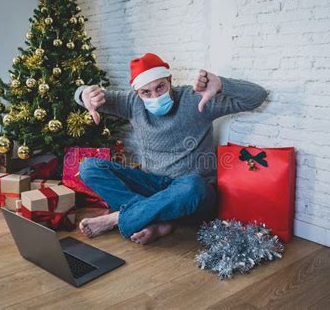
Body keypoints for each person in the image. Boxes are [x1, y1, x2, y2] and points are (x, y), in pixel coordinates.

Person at [73, 52, 268, 245]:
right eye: (146, 92)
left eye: (160, 87)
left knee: (194, 186)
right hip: (154, 187)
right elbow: (83, 95)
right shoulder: (132, 103)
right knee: (89, 167)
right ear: (137, 93)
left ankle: (119, 218)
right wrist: (84, 94)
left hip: (191, 195)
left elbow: (257, 97)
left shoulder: (196, 100)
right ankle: (155, 221)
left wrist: (222, 84)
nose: (155, 96)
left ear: (169, 80)